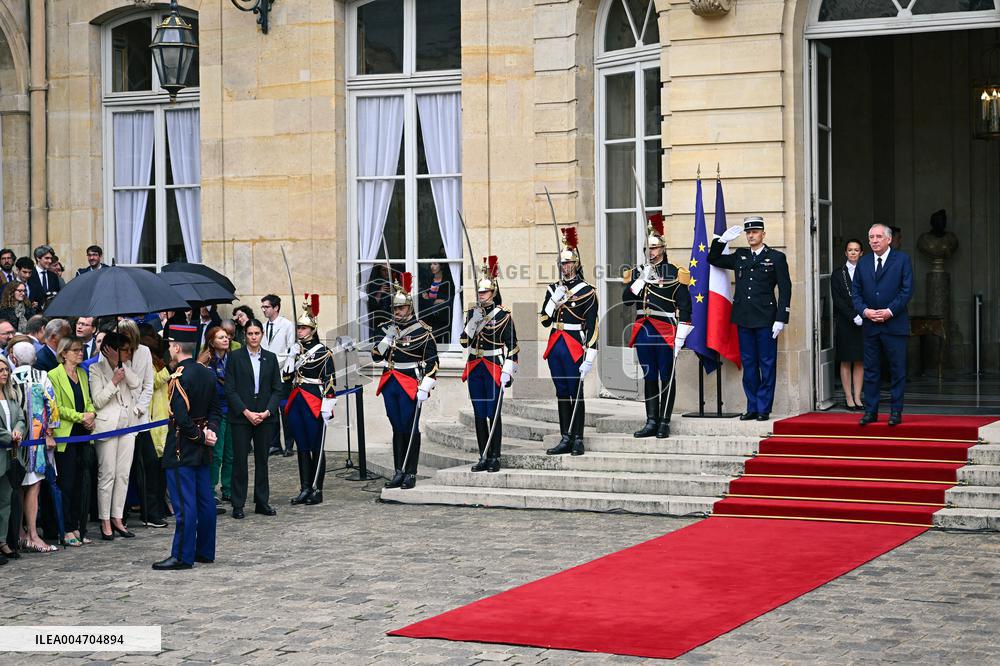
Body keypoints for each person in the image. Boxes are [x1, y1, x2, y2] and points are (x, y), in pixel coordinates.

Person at [709, 216, 792, 421]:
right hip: (744, 317)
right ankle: (752, 406)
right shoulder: (741, 255)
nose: (751, 235)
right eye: (748, 232)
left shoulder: (776, 257)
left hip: (766, 319)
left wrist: (781, 318)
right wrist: (721, 241)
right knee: (749, 364)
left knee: (767, 363)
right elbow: (713, 259)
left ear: (763, 234)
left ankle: (763, 408)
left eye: (755, 232)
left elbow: (785, 288)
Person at [153, 324, 221, 571]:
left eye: (170, 346)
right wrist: (210, 430)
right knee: (205, 501)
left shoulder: (179, 377)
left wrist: (200, 437)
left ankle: (182, 555)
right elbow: (215, 410)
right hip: (202, 448)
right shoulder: (207, 374)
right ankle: (204, 550)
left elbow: (181, 418)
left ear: (176, 347)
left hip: (183, 447)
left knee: (185, 504)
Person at [621, 217, 693, 439]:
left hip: (665, 331)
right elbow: (626, 301)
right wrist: (640, 281)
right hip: (644, 330)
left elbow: (685, 307)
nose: (650, 252)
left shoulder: (674, 272)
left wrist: (680, 338)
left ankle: (664, 421)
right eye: (647, 248)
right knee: (649, 375)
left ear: (663, 249)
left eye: (654, 248)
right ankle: (651, 420)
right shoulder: (637, 272)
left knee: (666, 376)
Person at [372, 274, 439, 489]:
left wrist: (426, 385)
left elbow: (433, 362)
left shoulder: (422, 330)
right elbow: (376, 356)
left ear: (409, 308)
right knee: (396, 426)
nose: (397, 312)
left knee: (410, 427)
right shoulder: (387, 328)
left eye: (401, 308)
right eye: (395, 308)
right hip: (390, 381)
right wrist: (387, 338)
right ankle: (398, 471)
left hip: (409, 382)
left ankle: (410, 472)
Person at [539, 227, 599, 454]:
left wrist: (590, 354)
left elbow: (592, 326)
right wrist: (553, 302)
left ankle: (578, 438)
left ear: (576, 264)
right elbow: (545, 321)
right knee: (562, 392)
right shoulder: (553, 289)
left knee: (576, 392)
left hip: (574, 345)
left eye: (569, 263)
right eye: (562, 264)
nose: (565, 267)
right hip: (556, 345)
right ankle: (565, 437)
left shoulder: (587, 291)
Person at [460, 257, 518, 472]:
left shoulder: (503, 316)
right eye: (479, 292)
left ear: (493, 293)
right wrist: (473, 322)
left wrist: (508, 371)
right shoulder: (472, 314)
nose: (481, 295)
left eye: (485, 292)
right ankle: (483, 455)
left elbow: (513, 346)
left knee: (493, 413)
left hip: (494, 366)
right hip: (475, 366)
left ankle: (495, 456)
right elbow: (464, 342)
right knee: (479, 413)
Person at [852, 223, 913, 427]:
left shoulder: (902, 259)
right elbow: (856, 292)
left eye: (878, 236)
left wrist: (889, 311)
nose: (874, 240)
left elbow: (907, 290)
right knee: (871, 371)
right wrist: (865, 311)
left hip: (894, 325)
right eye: (871, 237)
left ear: (889, 239)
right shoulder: (863, 262)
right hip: (871, 326)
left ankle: (895, 412)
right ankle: (871, 412)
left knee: (897, 370)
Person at [224, 319, 282, 518]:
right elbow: (230, 389)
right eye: (250, 333)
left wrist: (268, 411)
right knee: (240, 460)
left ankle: (262, 501)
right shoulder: (235, 357)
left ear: (262, 334)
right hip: (242, 416)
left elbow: (277, 389)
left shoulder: (270, 358)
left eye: (257, 333)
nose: (254, 337)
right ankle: (238, 503)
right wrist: (246, 412)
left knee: (262, 460)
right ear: (245, 335)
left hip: (264, 415)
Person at [89, 332, 142, 541]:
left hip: (127, 425)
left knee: (123, 474)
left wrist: (120, 366)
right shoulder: (95, 369)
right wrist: (113, 381)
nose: (129, 353)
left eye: (130, 350)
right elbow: (98, 401)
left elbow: (136, 383)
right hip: (107, 427)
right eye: (125, 350)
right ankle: (104, 520)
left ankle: (118, 517)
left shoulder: (126, 366)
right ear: (110, 350)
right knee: (107, 474)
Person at [9, 341, 60, 554]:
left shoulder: (10, 378)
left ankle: (20, 533)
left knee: (18, 486)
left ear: (14, 358)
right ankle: (32, 534)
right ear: (35, 358)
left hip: (15, 440)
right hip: (37, 442)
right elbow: (52, 406)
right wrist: (50, 432)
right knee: (34, 487)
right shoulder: (42, 376)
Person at [285, 296, 337, 503]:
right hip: (296, 401)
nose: (300, 331)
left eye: (304, 328)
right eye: (298, 328)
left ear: (313, 330)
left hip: (314, 402)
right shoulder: (296, 351)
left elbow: (330, 381)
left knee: (316, 447)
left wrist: (327, 406)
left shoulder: (323, 353)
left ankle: (317, 489)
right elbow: (286, 378)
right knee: (302, 446)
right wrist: (291, 357)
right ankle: (305, 487)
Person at [49, 336, 97, 547]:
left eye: (81, 349)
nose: (80, 353)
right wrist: (81, 417)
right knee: (67, 483)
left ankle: (78, 525)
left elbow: (88, 401)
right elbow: (56, 406)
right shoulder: (54, 375)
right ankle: (66, 528)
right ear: (64, 353)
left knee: (81, 482)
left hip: (83, 434)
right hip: (66, 436)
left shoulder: (82, 374)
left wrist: (91, 415)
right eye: (75, 350)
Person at [135, 330, 170, 528]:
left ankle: (160, 506)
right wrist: (170, 367)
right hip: (149, 420)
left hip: (162, 419)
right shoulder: (145, 360)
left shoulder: (156, 359)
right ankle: (150, 511)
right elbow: (154, 382)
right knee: (151, 471)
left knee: (160, 470)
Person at [198, 326, 234, 509]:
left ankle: (228, 488)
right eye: (221, 337)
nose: (225, 339)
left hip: (233, 410)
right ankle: (211, 489)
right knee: (216, 454)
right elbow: (209, 385)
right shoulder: (207, 361)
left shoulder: (233, 358)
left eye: (226, 337)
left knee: (231, 453)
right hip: (216, 412)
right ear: (212, 342)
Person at [831, 238, 865, 411]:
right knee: (846, 360)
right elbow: (838, 300)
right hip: (846, 322)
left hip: (864, 320)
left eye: (856, 250)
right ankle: (848, 397)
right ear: (845, 253)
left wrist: (864, 313)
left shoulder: (867, 271)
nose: (853, 253)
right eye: (850, 250)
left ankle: (858, 397)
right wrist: (853, 316)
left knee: (859, 360)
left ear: (861, 253)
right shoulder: (838, 274)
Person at [260, 294, 295, 457]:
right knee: (270, 410)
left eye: (267, 307)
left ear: (276, 308)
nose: (264, 310)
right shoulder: (262, 326)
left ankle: (289, 444)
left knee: (285, 410)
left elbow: (291, 350)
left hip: (282, 374)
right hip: (267, 375)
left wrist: (284, 367)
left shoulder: (287, 325)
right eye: (263, 307)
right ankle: (274, 444)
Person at [0, 356, 25, 565]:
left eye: (6, 370)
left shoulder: (11, 395)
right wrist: (10, 436)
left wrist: (18, 431)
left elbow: (21, 418)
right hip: (3, 449)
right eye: (0, 370)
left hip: (11, 455)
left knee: (5, 501)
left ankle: (2, 541)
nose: (4, 373)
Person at [419, 259, 454, 343]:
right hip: (429, 315)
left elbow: (448, 298)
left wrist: (431, 300)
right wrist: (433, 301)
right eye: (431, 264)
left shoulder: (448, 280)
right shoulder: (428, 280)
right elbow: (423, 300)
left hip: (443, 315)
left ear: (441, 265)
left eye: (435, 264)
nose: (432, 266)